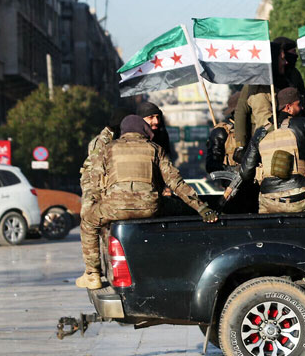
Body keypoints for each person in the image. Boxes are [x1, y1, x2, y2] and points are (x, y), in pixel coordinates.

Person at [83, 116, 217, 287]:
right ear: (144, 130)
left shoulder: (108, 149)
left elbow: (94, 183)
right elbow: (176, 182)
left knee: (88, 221)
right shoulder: (154, 148)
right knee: (178, 207)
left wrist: (98, 205)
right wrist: (202, 208)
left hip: (114, 208)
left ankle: (92, 274)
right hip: (150, 207)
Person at [236, 87, 305, 213]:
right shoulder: (302, 124)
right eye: (298, 105)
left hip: (269, 200)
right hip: (298, 200)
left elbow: (245, 173)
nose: (301, 108)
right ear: (288, 107)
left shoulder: (260, 133)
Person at [75, 107, 130, 289]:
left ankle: (101, 271)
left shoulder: (112, 139)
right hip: (95, 191)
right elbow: (97, 175)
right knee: (90, 225)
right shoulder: (103, 141)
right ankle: (92, 273)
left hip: (102, 190)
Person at [233, 40, 299, 150]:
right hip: (269, 143)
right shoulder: (257, 87)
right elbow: (245, 115)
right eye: (282, 59)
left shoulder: (288, 78)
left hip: (290, 138)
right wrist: (241, 145)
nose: (285, 62)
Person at [206, 93, 241, 175]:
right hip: (233, 184)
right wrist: (233, 169)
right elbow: (211, 165)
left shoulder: (256, 129)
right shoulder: (222, 132)